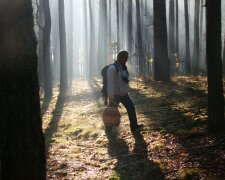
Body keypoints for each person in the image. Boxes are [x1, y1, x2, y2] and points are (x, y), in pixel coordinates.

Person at [107, 50, 143, 132]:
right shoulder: (112, 68)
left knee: (131, 108)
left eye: (127, 57)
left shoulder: (123, 67)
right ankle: (108, 130)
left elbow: (124, 80)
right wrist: (111, 97)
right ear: (121, 57)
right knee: (111, 113)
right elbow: (110, 84)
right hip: (115, 95)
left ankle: (134, 127)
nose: (127, 59)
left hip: (124, 94)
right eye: (125, 57)